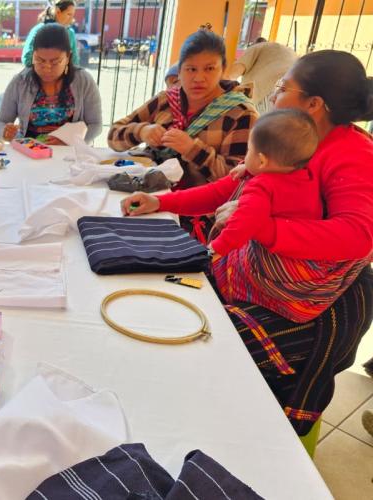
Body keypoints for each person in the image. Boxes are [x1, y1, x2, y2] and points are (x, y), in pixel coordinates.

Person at [192, 50, 373, 435]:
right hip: (258, 277)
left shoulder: (353, 154)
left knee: (206, 346)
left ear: (314, 104)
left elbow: (357, 237)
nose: (273, 95)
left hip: (302, 300)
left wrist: (264, 228)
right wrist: (161, 201)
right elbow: (228, 187)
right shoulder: (289, 138)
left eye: (281, 87)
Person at [122, 109, 365, 325]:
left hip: (261, 286)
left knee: (171, 283)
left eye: (248, 151)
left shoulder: (261, 187)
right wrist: (160, 202)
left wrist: (210, 253)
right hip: (302, 297)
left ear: (263, 159)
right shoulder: (306, 176)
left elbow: (240, 229)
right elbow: (219, 192)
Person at [108, 26, 258, 242]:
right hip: (149, 196)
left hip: (199, 219)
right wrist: (142, 131)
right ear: (179, 71)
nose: (199, 78)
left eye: (209, 68)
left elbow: (236, 180)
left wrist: (192, 149)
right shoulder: (167, 100)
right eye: (191, 69)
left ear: (223, 70)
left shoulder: (240, 113)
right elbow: (113, 136)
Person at [0, 23, 102, 144]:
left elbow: (96, 124)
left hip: (70, 151)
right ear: (33, 56)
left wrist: (70, 141)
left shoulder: (83, 81)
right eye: (40, 60)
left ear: (68, 57)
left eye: (55, 62)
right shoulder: (21, 82)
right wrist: (5, 132)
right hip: (29, 151)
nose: (47, 68)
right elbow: (1, 122)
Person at [224, 38, 297, 114]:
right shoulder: (289, 52)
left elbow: (230, 77)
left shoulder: (255, 48)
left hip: (267, 92)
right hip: (290, 93)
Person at [21, 0, 79, 67]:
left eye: (73, 15)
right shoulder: (39, 30)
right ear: (58, 11)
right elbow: (27, 58)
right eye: (69, 14)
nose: (71, 19)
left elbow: (75, 62)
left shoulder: (70, 33)